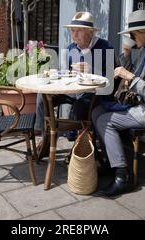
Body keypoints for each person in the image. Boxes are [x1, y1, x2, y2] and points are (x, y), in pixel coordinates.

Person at [91, 9, 145, 197]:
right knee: (96, 111)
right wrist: (126, 53)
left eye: (132, 34)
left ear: (143, 33)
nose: (131, 37)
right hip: (140, 104)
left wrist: (129, 77)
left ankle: (123, 176)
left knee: (104, 121)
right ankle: (110, 161)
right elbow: (137, 76)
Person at [34, 11, 116, 153]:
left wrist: (91, 70)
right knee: (43, 96)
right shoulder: (73, 48)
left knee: (80, 105)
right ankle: (45, 136)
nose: (74, 35)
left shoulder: (105, 47)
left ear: (90, 32)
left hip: (95, 93)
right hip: (73, 91)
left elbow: (111, 78)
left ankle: (79, 148)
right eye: (72, 31)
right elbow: (67, 72)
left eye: (78, 31)